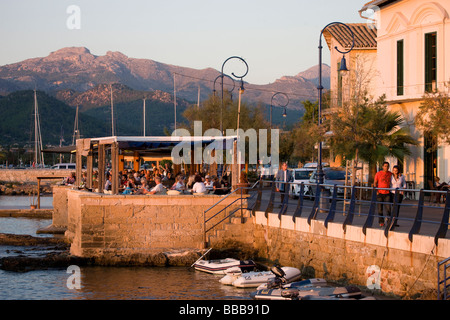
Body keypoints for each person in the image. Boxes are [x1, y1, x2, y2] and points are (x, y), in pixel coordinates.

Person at [374, 162, 392, 227]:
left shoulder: (390, 174)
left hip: (387, 193)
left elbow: (395, 178)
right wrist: (377, 191)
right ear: (382, 166)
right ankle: (381, 221)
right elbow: (375, 182)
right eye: (385, 166)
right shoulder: (378, 174)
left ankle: (389, 220)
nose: (386, 167)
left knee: (388, 208)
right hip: (380, 193)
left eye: (387, 166)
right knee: (380, 208)